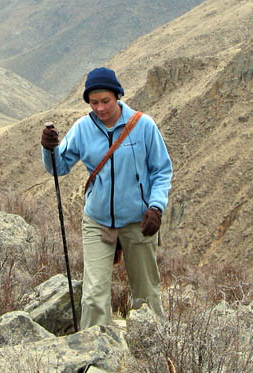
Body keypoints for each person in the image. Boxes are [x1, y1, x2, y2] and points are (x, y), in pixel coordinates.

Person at [40, 67, 173, 329]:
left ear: (118, 96)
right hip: (98, 220)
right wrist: (49, 148)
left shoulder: (143, 125)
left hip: (139, 221)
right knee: (93, 296)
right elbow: (59, 167)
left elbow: (162, 170)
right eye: (94, 102)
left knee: (147, 296)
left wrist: (156, 207)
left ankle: (153, 351)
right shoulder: (83, 128)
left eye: (105, 101)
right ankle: (94, 357)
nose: (100, 108)